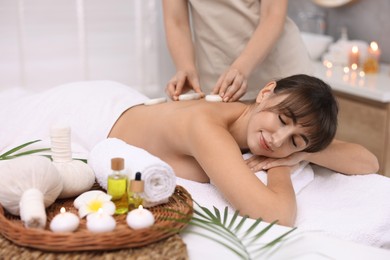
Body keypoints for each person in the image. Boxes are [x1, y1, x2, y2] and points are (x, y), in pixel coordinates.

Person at [0, 75, 379, 227]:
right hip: (88, 113)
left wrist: (303, 153)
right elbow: (276, 214)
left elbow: (369, 162)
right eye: (281, 119)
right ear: (266, 92)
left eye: (296, 138)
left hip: (133, 106)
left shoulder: (256, 126)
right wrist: (282, 165)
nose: (278, 139)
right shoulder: (208, 128)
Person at [162, 0, 313, 102]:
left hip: (278, 71)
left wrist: (240, 69)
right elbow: (176, 22)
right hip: (217, 78)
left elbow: (272, 15)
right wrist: (186, 67)